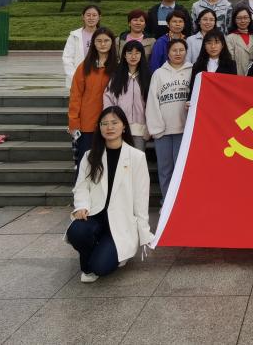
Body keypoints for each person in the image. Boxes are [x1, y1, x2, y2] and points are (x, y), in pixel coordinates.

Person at [66, 106, 153, 284]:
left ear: (124, 126)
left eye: (114, 123)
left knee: (100, 267)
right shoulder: (90, 156)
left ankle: (110, 253)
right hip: (95, 215)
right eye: (104, 123)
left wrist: (144, 233)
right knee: (76, 232)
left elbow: (141, 197)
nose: (109, 127)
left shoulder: (136, 157)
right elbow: (81, 187)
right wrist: (82, 206)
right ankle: (93, 255)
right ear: (99, 128)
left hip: (121, 222)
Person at [145, 38, 192, 197]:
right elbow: (152, 101)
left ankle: (180, 205)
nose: (178, 53)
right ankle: (166, 203)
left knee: (182, 170)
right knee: (165, 170)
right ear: (168, 53)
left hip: (184, 130)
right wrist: (156, 127)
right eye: (174, 50)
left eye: (181, 50)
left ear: (186, 52)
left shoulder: (192, 71)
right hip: (163, 130)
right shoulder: (158, 74)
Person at [68, 27, 117, 169]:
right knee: (85, 165)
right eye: (99, 41)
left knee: (109, 165)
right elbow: (75, 95)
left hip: (111, 123)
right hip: (87, 124)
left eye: (106, 40)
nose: (103, 44)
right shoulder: (84, 67)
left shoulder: (118, 67)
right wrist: (73, 122)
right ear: (93, 43)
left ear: (112, 43)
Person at [103, 40, 151, 151]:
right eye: (129, 53)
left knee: (137, 158)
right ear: (124, 55)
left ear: (141, 55)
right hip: (120, 127)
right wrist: (111, 121)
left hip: (141, 129)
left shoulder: (148, 77)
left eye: (137, 53)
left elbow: (152, 104)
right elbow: (108, 99)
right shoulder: (116, 77)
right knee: (120, 158)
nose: (133, 56)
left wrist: (150, 127)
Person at [63, 5, 101, 89]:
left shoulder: (104, 35)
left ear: (99, 17)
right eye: (88, 15)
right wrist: (76, 77)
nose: (91, 18)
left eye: (94, 15)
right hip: (78, 80)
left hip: (99, 80)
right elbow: (67, 58)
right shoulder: (74, 35)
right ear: (83, 17)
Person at [226, 7, 253, 76]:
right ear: (234, 20)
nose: (242, 21)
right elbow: (230, 61)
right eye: (239, 18)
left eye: (245, 18)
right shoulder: (229, 38)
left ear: (250, 19)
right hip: (236, 76)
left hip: (252, 76)